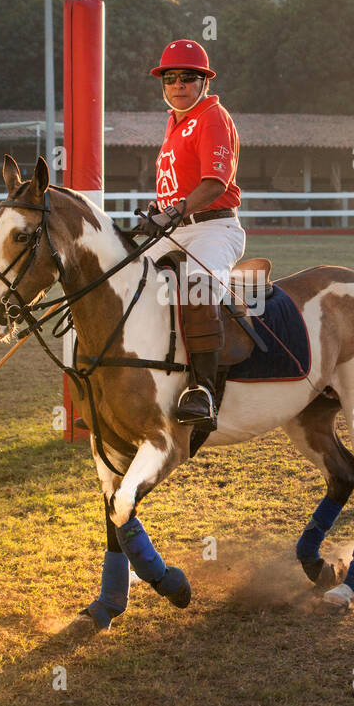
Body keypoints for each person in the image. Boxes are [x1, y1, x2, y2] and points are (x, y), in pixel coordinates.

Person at [134, 39, 245, 427]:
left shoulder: (213, 116)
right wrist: (157, 212)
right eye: (170, 77)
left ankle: (202, 391)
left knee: (197, 288)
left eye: (188, 77)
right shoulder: (174, 122)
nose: (178, 84)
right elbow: (176, 186)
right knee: (127, 284)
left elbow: (214, 183)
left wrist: (175, 211)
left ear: (204, 82)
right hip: (176, 228)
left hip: (213, 227)